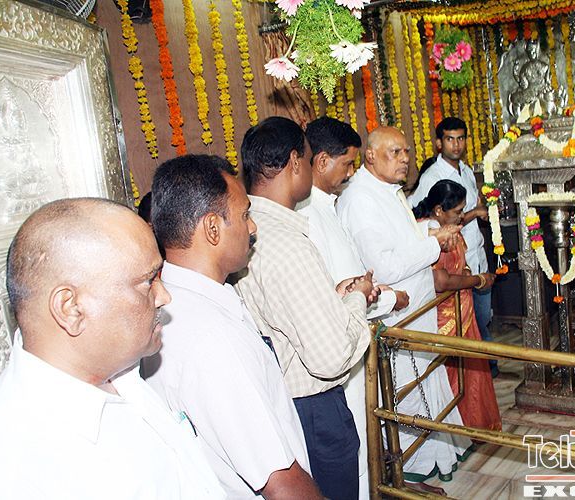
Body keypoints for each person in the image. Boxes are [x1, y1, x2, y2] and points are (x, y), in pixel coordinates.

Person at [0, 198, 225, 499]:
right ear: (71, 308)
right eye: (148, 282)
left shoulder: (120, 373)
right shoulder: (19, 467)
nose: (164, 296)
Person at [142, 155, 320, 499]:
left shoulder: (175, 302)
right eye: (244, 215)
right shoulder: (211, 337)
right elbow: (280, 482)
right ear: (212, 228)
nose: (252, 228)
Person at [237, 116, 377, 500]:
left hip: (283, 400)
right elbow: (330, 357)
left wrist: (331, 296)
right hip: (314, 408)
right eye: (310, 157)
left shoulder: (250, 227)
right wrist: (357, 299)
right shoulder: (287, 243)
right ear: (296, 162)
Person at [337, 126, 472, 492]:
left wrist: (431, 235)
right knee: (406, 398)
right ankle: (407, 475)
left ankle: (425, 466)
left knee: (423, 391)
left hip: (417, 315)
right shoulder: (361, 199)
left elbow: (401, 242)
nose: (405, 159)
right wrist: (434, 245)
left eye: (407, 152)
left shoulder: (387, 190)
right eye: (395, 152)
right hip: (396, 318)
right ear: (370, 156)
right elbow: (384, 267)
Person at [297, 117, 410, 498]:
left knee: (364, 442)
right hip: (336, 354)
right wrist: (386, 297)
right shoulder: (307, 216)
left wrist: (371, 289)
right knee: (353, 452)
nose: (351, 173)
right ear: (322, 161)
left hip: (355, 342)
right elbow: (328, 295)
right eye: (347, 164)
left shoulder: (328, 206)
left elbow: (346, 278)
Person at [409, 117, 500, 378]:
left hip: (473, 255)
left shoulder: (466, 170)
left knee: (482, 318)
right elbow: (423, 218)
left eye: (460, 138)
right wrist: (473, 214)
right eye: (450, 139)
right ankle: (481, 372)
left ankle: (484, 371)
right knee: (469, 326)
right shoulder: (432, 176)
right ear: (440, 143)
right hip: (449, 264)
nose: (456, 145)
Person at [413, 180, 502, 431]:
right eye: (458, 211)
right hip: (446, 319)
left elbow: (456, 267)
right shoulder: (430, 234)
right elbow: (440, 281)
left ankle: (471, 430)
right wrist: (477, 280)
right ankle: (458, 432)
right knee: (453, 376)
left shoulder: (446, 227)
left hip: (462, 311)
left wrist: (465, 272)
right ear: (438, 210)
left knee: (470, 376)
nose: (462, 216)